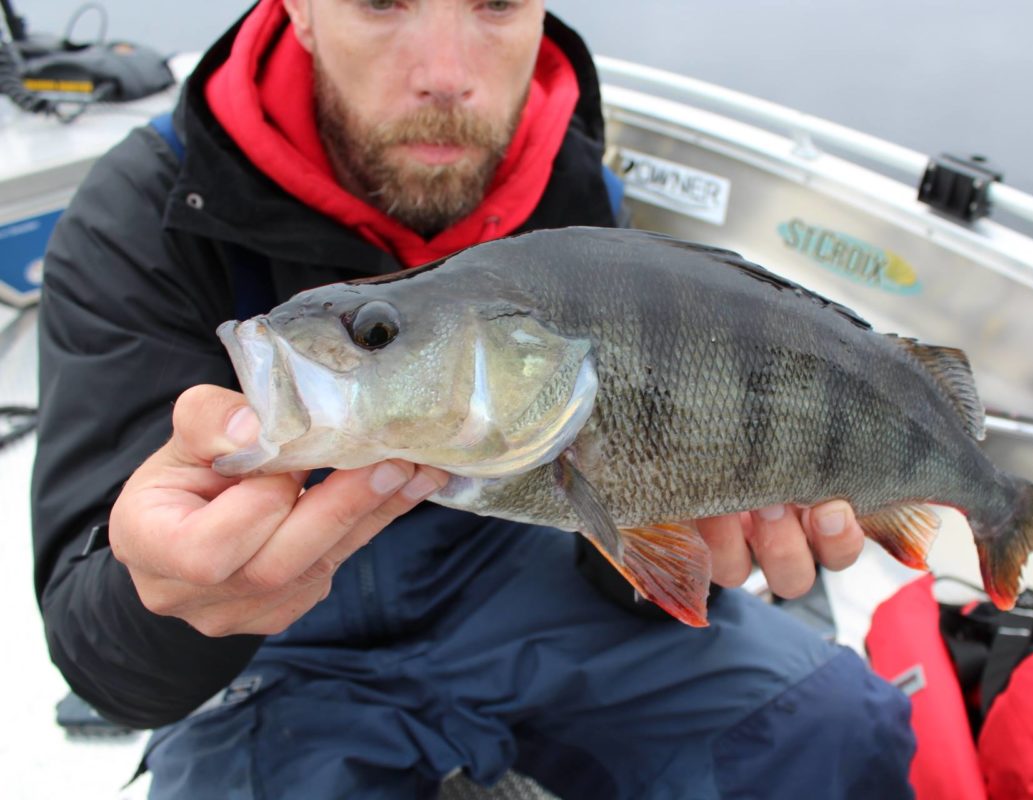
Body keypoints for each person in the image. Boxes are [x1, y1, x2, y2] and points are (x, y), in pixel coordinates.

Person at [32, 1, 915, 797]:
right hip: (279, 654)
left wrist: (677, 524)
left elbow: (600, 513)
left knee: (832, 729)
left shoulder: (574, 185)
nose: (446, 73)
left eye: (495, 4)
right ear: (298, 8)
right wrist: (172, 596)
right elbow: (103, 659)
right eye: (383, 1)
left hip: (509, 569)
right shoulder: (136, 217)